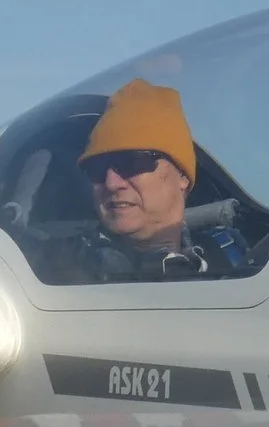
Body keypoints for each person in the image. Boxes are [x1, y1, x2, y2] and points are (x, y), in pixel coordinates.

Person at [70, 78, 248, 281]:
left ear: (182, 175)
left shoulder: (232, 262)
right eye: (96, 169)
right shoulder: (59, 273)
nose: (111, 183)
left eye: (133, 163)